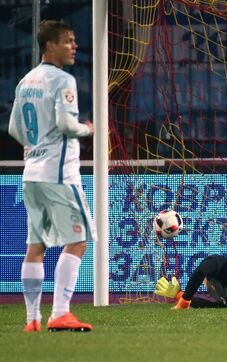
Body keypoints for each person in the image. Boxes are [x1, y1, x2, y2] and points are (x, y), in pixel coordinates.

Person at [8, 20, 94, 333]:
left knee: (37, 245)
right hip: (59, 174)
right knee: (78, 241)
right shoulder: (63, 80)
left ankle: (32, 319)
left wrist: (34, 146)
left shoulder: (26, 81)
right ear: (50, 46)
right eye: (68, 41)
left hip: (32, 173)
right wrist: (88, 129)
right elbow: (67, 125)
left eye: (74, 41)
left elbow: (14, 129)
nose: (74, 46)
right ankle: (61, 313)